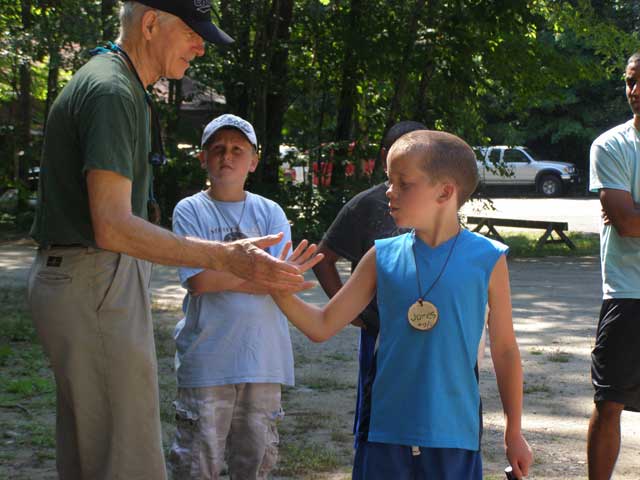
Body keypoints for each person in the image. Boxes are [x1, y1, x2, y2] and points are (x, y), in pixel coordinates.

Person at [27, 2, 311, 478]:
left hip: (90, 281)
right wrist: (226, 256)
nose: (200, 47)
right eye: (192, 33)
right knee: (125, 459)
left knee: (96, 451)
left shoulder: (116, 84)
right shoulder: (112, 90)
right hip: (94, 281)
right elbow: (112, 225)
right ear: (151, 23)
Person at [276, 130, 533, 479]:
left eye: (403, 183)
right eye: (388, 180)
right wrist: (276, 289)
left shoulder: (487, 259)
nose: (389, 192)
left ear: (445, 191)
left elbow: (504, 350)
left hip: (454, 436)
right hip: (384, 434)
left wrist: (513, 431)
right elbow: (321, 326)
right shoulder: (380, 256)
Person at [168, 114, 295, 479]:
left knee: (254, 463)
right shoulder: (190, 210)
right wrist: (257, 273)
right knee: (198, 461)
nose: (227, 156)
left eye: (238, 149)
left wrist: (227, 273)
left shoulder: (270, 212)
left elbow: (281, 277)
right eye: (218, 148)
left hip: (263, 360)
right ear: (203, 158)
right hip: (207, 360)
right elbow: (199, 281)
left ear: (253, 161)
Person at [312, 120, 425, 445]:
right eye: (400, 149)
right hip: (380, 333)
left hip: (427, 333)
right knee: (376, 421)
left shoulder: (436, 203)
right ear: (384, 156)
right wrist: (351, 312)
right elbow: (323, 259)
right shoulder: (367, 205)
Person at [587, 51, 640, 480]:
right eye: (630, 81)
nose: (634, 91)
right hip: (627, 294)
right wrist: (630, 215)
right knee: (609, 403)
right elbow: (626, 223)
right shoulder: (612, 145)